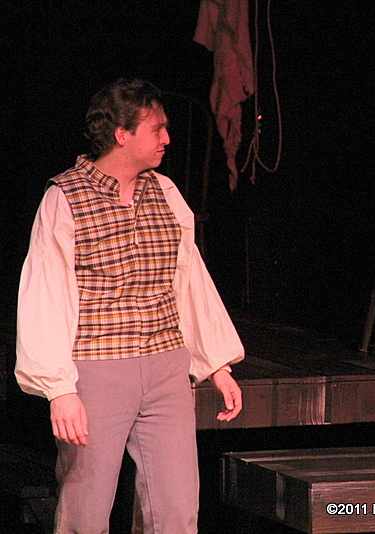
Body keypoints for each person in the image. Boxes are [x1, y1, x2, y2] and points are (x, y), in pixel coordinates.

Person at [15, 78, 245, 533]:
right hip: (97, 370)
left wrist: (216, 362)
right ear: (122, 134)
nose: (167, 138)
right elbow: (46, 292)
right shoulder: (66, 196)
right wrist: (59, 389)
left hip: (166, 367)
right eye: (157, 128)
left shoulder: (165, 192)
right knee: (86, 512)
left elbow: (189, 279)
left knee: (177, 510)